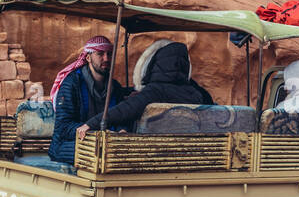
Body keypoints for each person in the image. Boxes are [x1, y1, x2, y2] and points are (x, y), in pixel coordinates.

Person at [77, 39, 212, 138]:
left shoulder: (156, 91)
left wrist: (91, 124)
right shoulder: (197, 93)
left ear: (155, 63)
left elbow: (126, 109)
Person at [48, 35, 126, 163]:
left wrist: (122, 130)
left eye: (109, 54)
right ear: (88, 57)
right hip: (69, 145)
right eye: (100, 54)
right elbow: (64, 127)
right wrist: (97, 133)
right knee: (100, 154)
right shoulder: (72, 84)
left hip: (106, 143)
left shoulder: (115, 87)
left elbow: (121, 116)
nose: (106, 58)